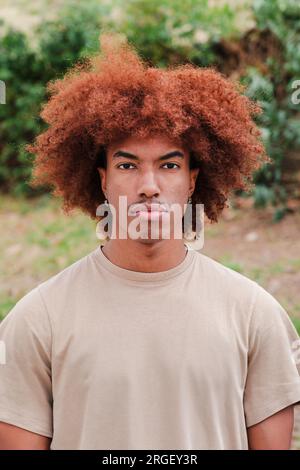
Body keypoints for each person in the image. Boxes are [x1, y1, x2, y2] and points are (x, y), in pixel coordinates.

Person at [0, 32, 299, 450]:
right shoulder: (36, 321)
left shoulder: (254, 315)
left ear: (193, 179)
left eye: (169, 164)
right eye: (127, 164)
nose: (149, 186)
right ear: (102, 180)